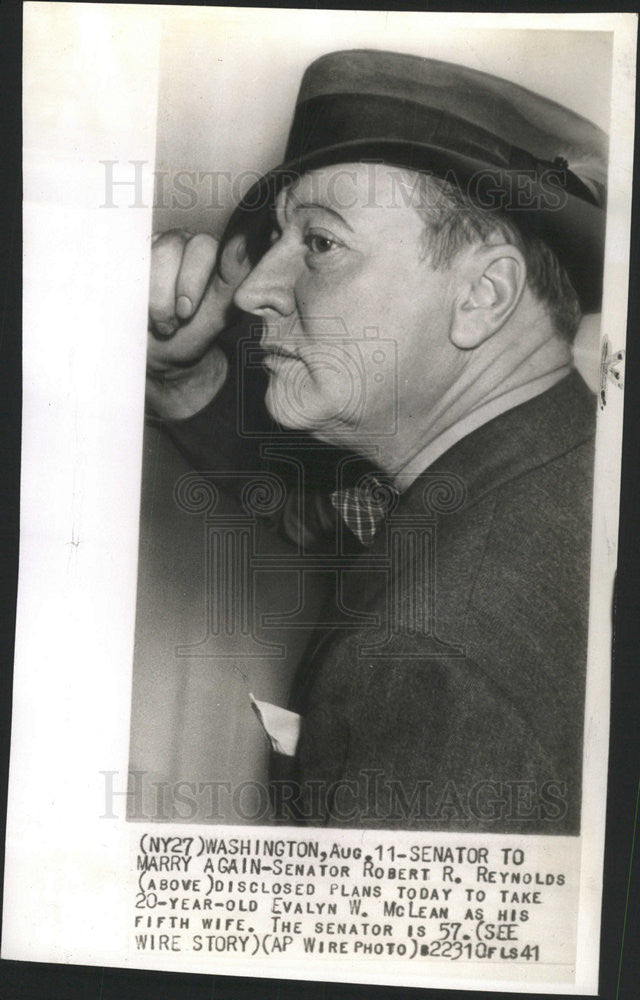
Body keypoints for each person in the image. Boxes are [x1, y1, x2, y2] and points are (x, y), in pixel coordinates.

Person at [145, 50, 606, 832]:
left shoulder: (429, 665)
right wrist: (183, 382)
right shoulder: (554, 459)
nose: (256, 289)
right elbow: (331, 513)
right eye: (278, 239)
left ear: (481, 296)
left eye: (320, 244)